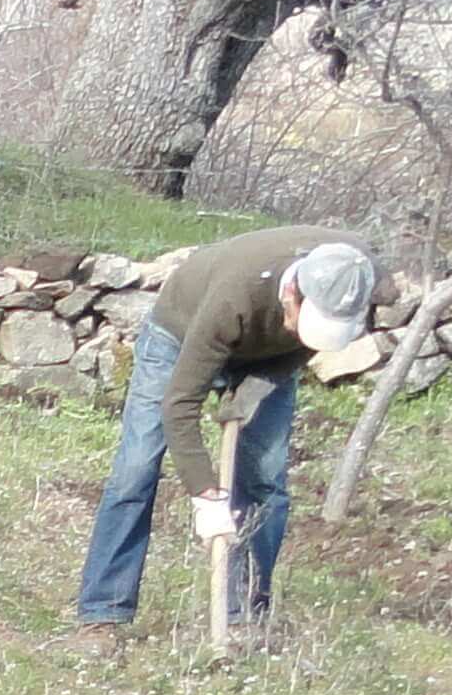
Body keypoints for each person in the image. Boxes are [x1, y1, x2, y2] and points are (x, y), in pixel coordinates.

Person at [72, 225, 378, 645]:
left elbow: (307, 346)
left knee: (264, 480)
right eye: (304, 321)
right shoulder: (232, 299)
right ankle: (102, 612)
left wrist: (260, 382)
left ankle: (244, 615)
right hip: (180, 332)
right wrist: (206, 495)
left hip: (266, 356)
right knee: (136, 466)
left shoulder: (354, 279)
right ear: (293, 294)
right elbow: (179, 405)